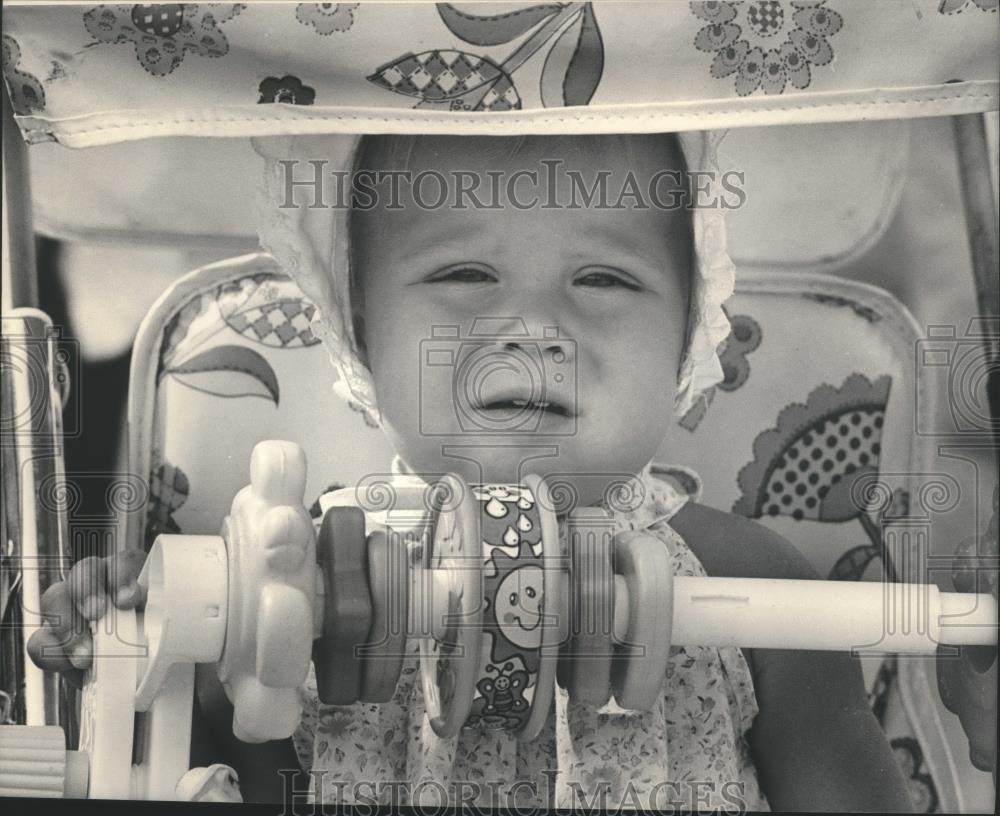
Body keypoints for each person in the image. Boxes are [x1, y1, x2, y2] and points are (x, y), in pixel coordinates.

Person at [30, 131, 921, 811]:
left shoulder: (753, 581)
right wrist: (149, 636)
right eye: (463, 271)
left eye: (605, 278)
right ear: (362, 340)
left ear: (690, 341)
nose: (533, 326)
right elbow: (214, 760)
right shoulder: (293, 573)